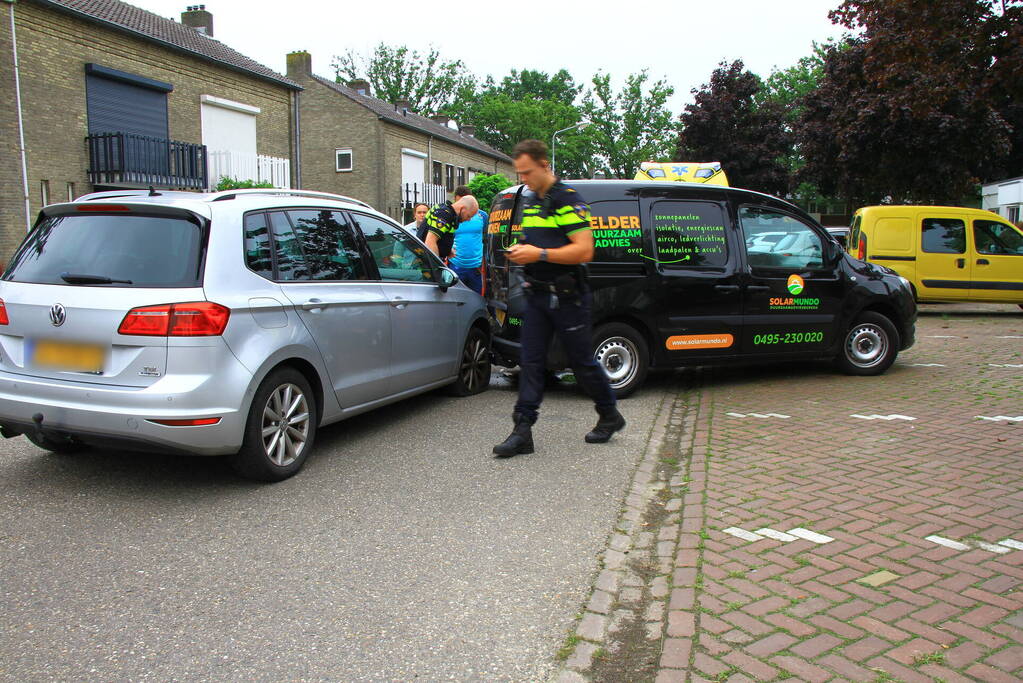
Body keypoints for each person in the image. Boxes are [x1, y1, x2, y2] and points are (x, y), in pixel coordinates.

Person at [493, 139, 625, 457]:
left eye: (526, 172)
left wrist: (538, 252)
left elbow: (584, 249)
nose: (522, 179)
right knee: (532, 361)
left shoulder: (568, 199)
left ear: (543, 164)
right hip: (537, 295)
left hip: (568, 298)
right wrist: (520, 253)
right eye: (519, 173)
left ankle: (609, 414)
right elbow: (536, 240)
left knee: (581, 362)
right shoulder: (531, 201)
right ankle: (522, 431)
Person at [449, 197, 488, 295]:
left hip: (476, 266)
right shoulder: (451, 216)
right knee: (456, 298)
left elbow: (487, 238)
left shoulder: (482, 216)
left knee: (476, 299)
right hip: (456, 265)